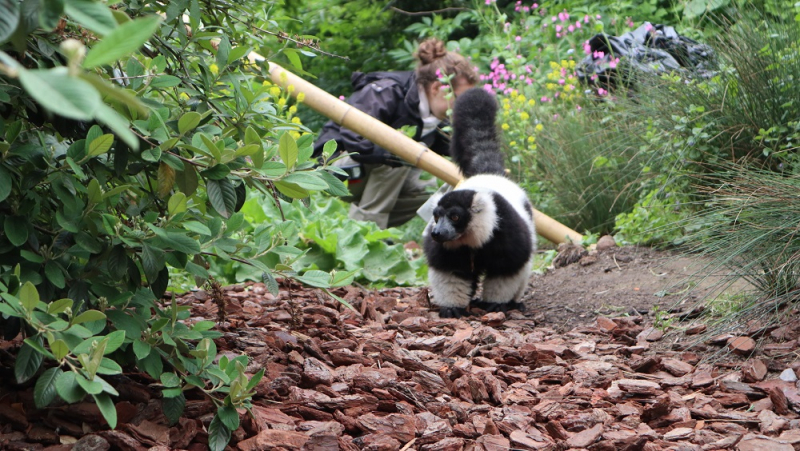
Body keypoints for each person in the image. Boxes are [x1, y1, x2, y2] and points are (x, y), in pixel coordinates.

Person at [312, 38, 479, 229]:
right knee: (402, 150)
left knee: (437, 185)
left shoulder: (437, 118)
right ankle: (363, 234)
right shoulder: (388, 91)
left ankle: (368, 227)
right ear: (437, 88)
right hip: (331, 169)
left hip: (370, 177)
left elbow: (459, 152)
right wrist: (390, 152)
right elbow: (353, 136)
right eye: (461, 99)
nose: (462, 108)